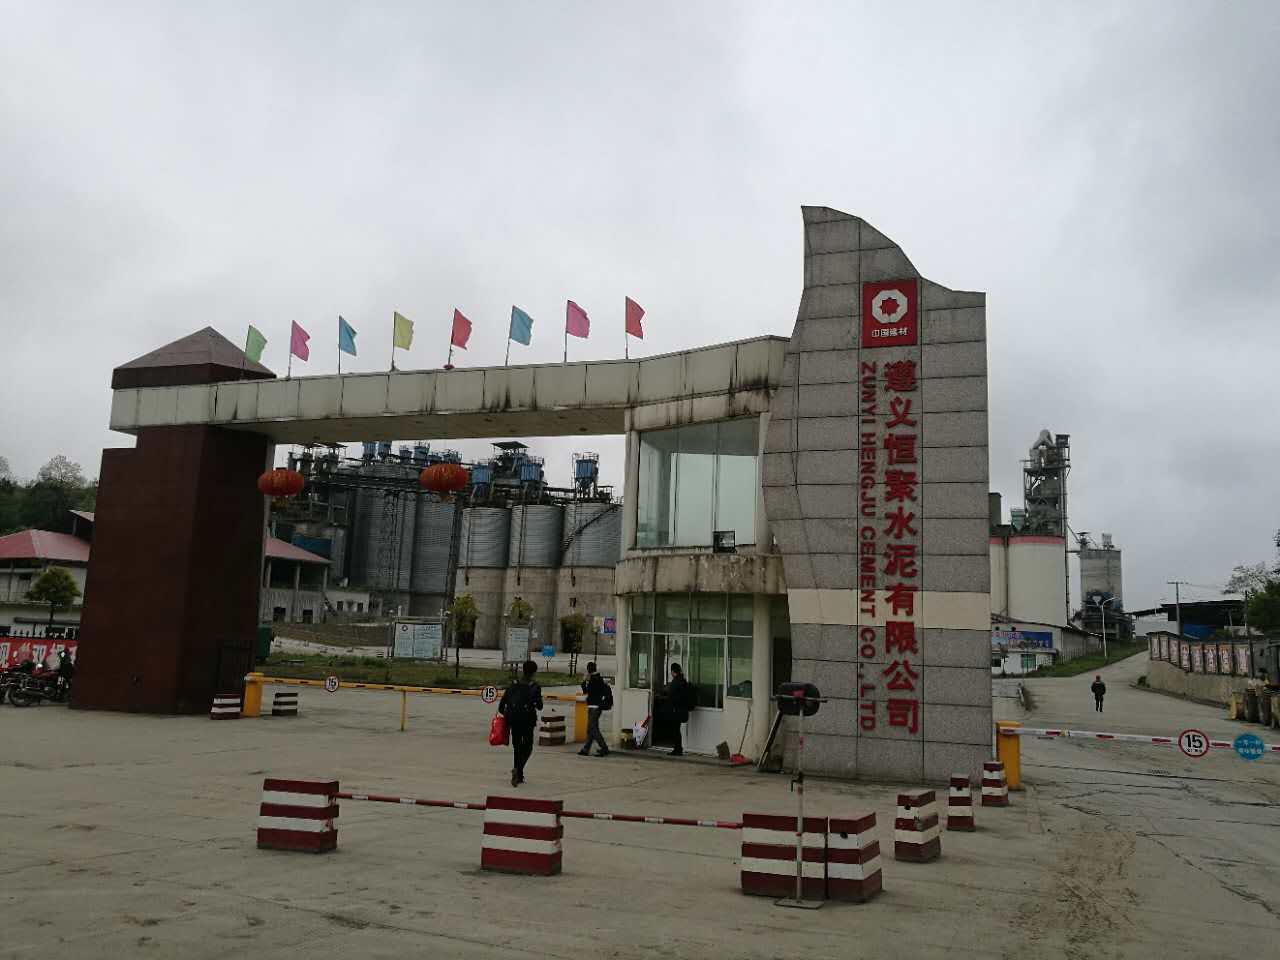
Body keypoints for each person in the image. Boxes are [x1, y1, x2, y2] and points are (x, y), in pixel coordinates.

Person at [498, 660, 543, 787]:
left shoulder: (513, 684)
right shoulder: (534, 686)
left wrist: (508, 715)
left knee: (517, 747)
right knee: (528, 747)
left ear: (523, 670)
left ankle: (518, 774)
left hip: (513, 720)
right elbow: (540, 706)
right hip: (527, 721)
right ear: (534, 672)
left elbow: (502, 706)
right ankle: (518, 770)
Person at [579, 661, 612, 757]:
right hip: (596, 707)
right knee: (591, 729)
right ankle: (586, 749)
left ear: (588, 669)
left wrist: (584, 681)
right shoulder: (599, 678)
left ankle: (604, 747)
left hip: (594, 707)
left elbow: (586, 691)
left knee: (593, 729)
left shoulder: (593, 679)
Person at [666, 663, 693, 756]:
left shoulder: (676, 682)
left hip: (676, 710)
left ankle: (677, 749)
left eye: (671, 671)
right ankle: (678, 749)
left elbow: (672, 696)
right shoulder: (683, 681)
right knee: (677, 730)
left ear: (673, 671)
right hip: (682, 710)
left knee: (675, 730)